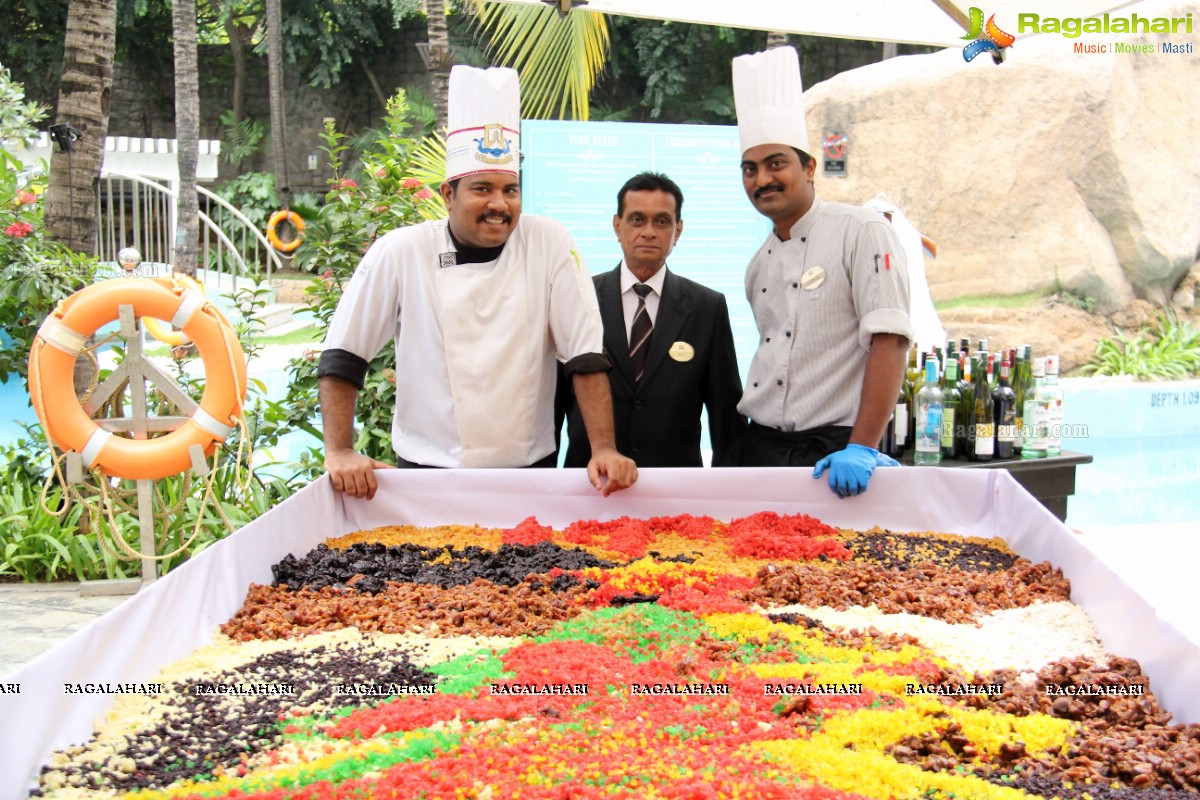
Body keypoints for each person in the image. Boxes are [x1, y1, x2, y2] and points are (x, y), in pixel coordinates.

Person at [316, 65, 637, 499]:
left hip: (528, 471)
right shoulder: (403, 250)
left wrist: (603, 447)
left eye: (510, 189)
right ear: (449, 194)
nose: (499, 204)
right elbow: (343, 355)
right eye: (482, 188)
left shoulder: (549, 241)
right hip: (429, 469)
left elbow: (584, 355)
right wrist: (339, 449)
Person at [731, 46, 912, 497]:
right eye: (750, 169)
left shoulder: (862, 231)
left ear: (809, 168)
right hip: (762, 448)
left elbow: (890, 341)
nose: (762, 180)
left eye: (776, 164)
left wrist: (862, 446)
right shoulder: (758, 265)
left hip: (833, 452)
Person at [560, 172, 745, 467]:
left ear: (678, 230)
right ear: (617, 226)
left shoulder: (707, 307)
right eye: (637, 219)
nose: (648, 231)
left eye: (661, 221)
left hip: (675, 488)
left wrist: (728, 494)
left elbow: (726, 415)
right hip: (591, 482)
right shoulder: (579, 299)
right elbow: (554, 403)